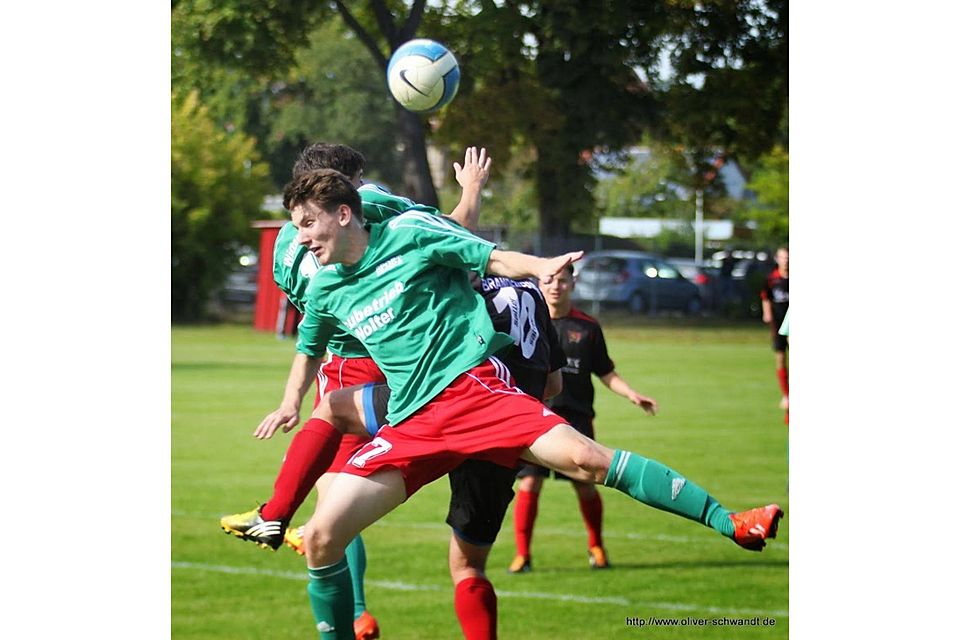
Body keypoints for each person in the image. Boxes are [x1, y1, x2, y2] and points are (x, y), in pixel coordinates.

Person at [283, 169, 782, 639]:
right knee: (323, 535)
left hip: (476, 395)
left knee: (588, 459)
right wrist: (290, 401)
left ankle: (730, 522)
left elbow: (490, 256)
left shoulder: (410, 233)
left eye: (308, 223)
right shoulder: (324, 286)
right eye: (296, 228)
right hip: (413, 420)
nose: (302, 238)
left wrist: (542, 266)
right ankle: (279, 517)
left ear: (344, 214)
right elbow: (309, 350)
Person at [224, 143, 565, 639]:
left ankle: (299, 544)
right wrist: (471, 191)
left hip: (343, 366)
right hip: (405, 360)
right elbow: (449, 234)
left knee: (332, 502)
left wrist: (288, 401)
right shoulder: (373, 205)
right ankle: (337, 587)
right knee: (456, 555)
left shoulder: (284, 244)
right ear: (344, 192)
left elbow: (311, 319)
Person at [509, 263, 658, 573]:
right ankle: (522, 555)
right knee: (529, 486)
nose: (555, 286)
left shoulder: (588, 327)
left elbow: (605, 371)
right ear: (540, 281)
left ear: (572, 284)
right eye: (549, 280)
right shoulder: (523, 322)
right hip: (534, 418)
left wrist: (631, 393)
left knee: (586, 486)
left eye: (562, 281)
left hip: (575, 420)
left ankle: (596, 547)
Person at [761, 246, 789, 410]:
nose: (786, 260)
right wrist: (767, 313)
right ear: (777, 259)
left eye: (788, 257)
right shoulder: (772, 279)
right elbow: (765, 296)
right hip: (779, 324)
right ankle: (786, 394)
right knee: (780, 358)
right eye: (783, 257)